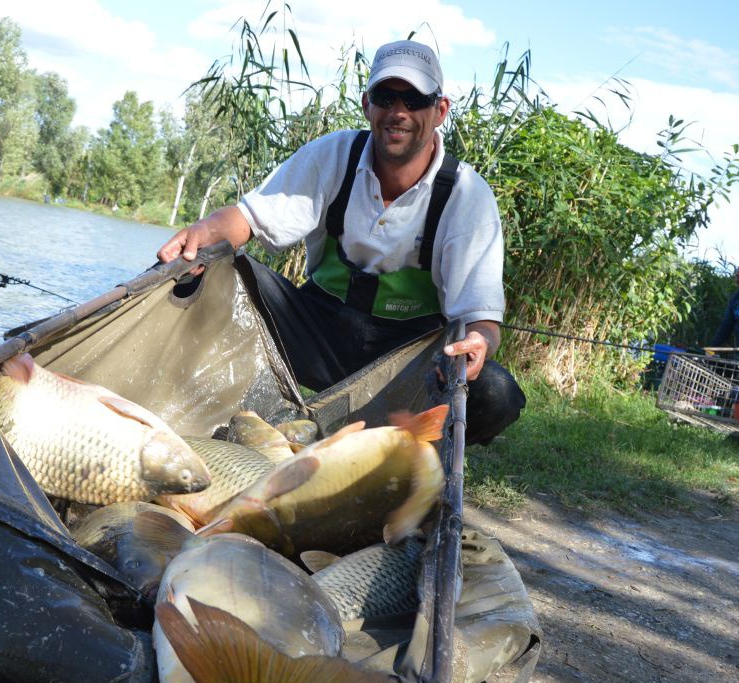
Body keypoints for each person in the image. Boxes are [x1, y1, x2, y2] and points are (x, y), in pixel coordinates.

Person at [156, 40, 524, 445]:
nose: (398, 112)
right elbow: (247, 219)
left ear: (439, 111)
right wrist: (204, 231)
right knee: (206, 271)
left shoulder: (466, 195)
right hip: (318, 328)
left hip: (406, 354)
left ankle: (408, 446)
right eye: (386, 97)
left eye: (415, 99)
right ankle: (195, 415)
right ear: (367, 104)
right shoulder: (333, 155)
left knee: (496, 393)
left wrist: (479, 343)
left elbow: (481, 319)